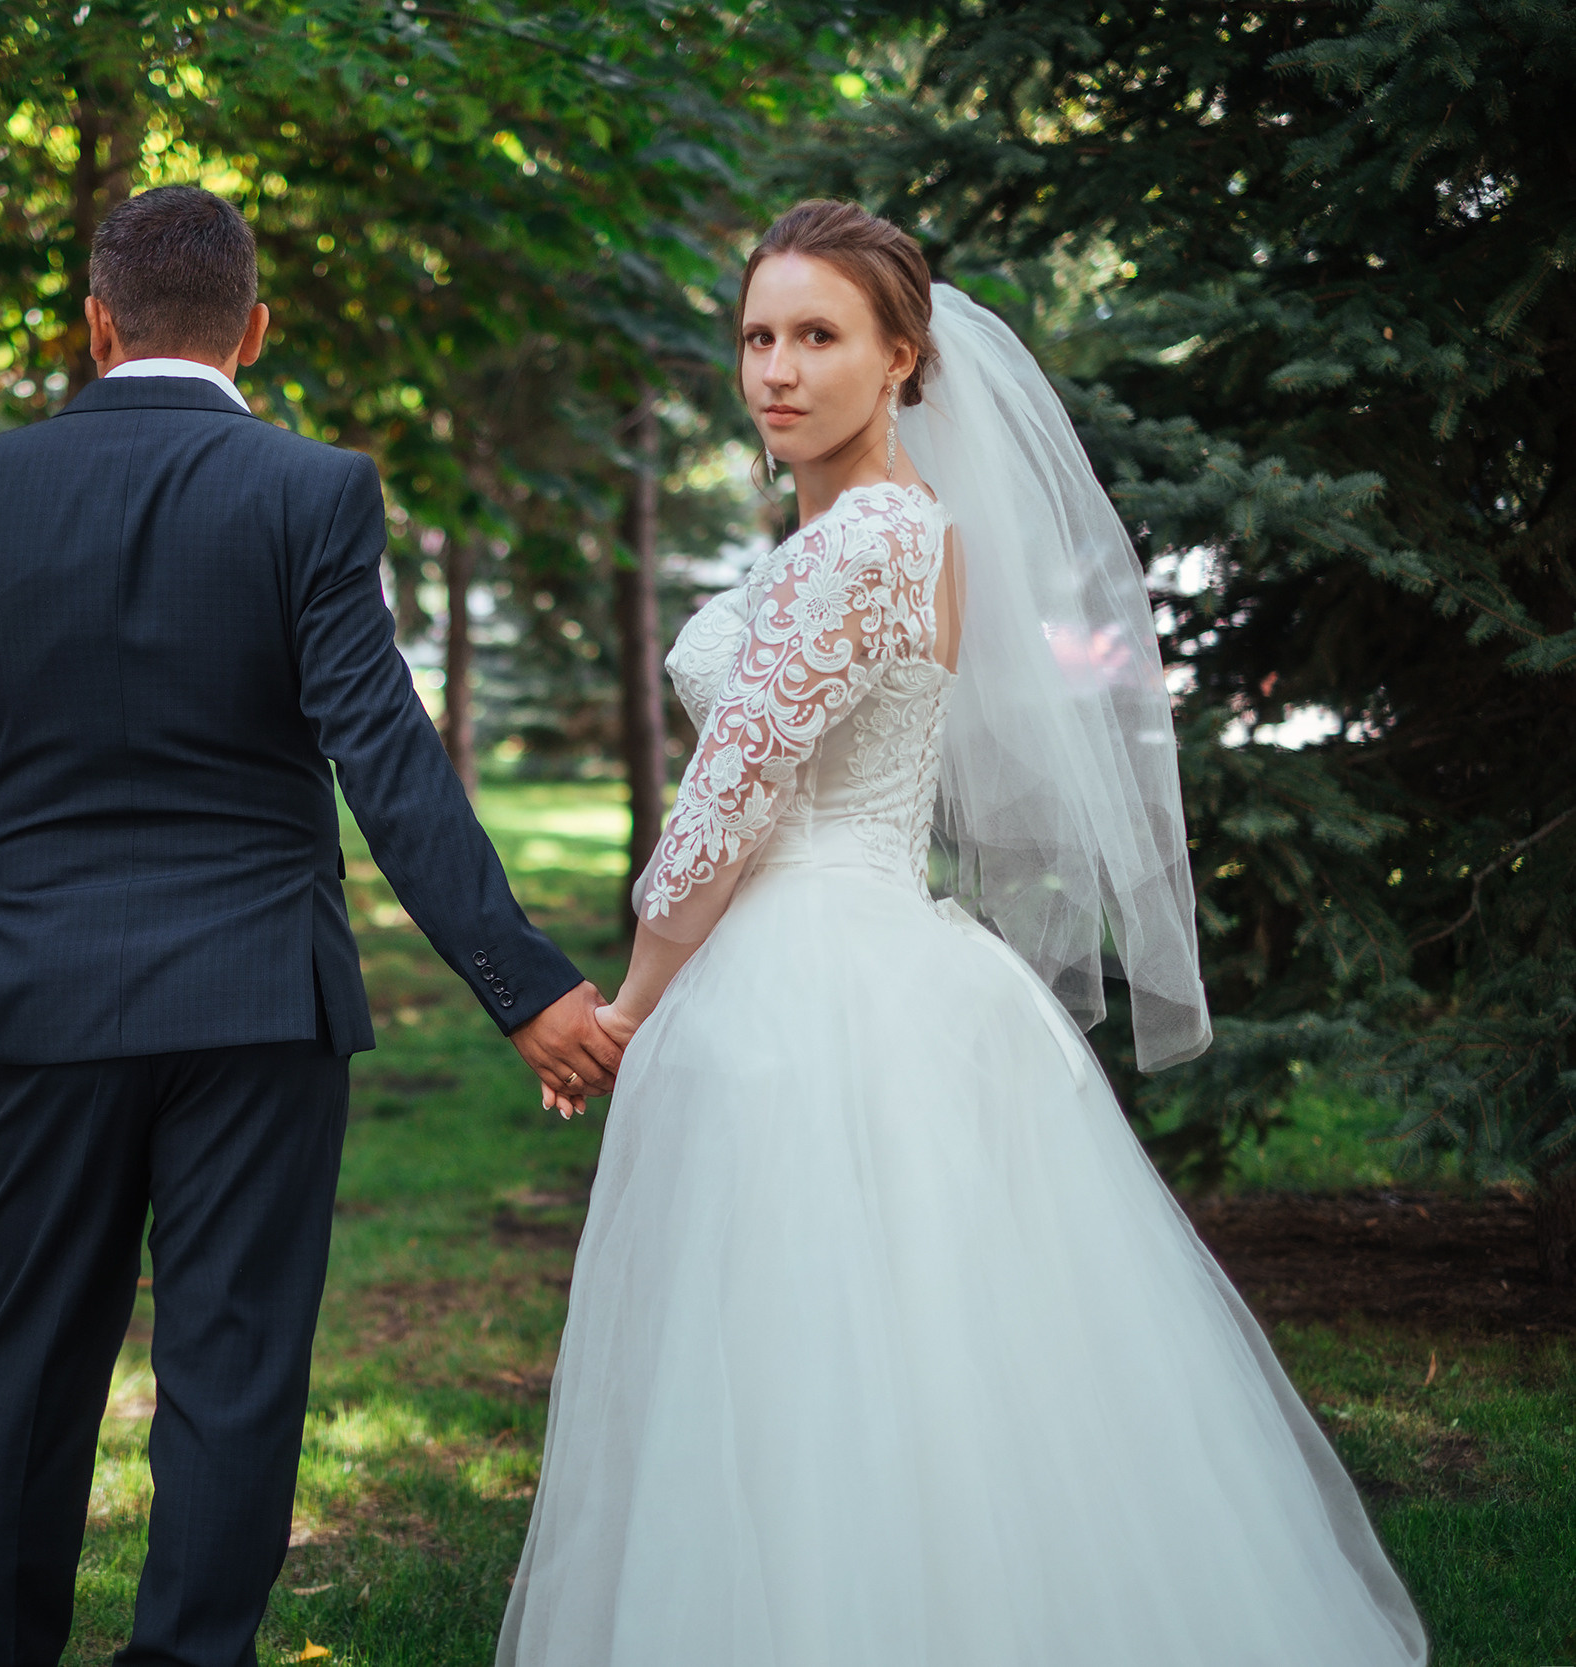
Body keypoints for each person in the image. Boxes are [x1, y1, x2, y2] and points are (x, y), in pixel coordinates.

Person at [497, 200, 1427, 1665]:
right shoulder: (885, 527)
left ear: (903, 357)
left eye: (819, 337)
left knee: (812, 1350)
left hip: (804, 975)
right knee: (891, 1353)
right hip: (860, 951)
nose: (777, 371)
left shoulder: (867, 538)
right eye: (757, 337)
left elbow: (732, 799)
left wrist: (628, 1001)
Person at [0, 183, 622, 1667]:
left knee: (29, 1369)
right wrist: (521, 985)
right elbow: (386, 755)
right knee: (232, 1376)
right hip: (259, 1010)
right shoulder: (314, 490)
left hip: (46, 1003)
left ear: (95, 325)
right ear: (255, 333)